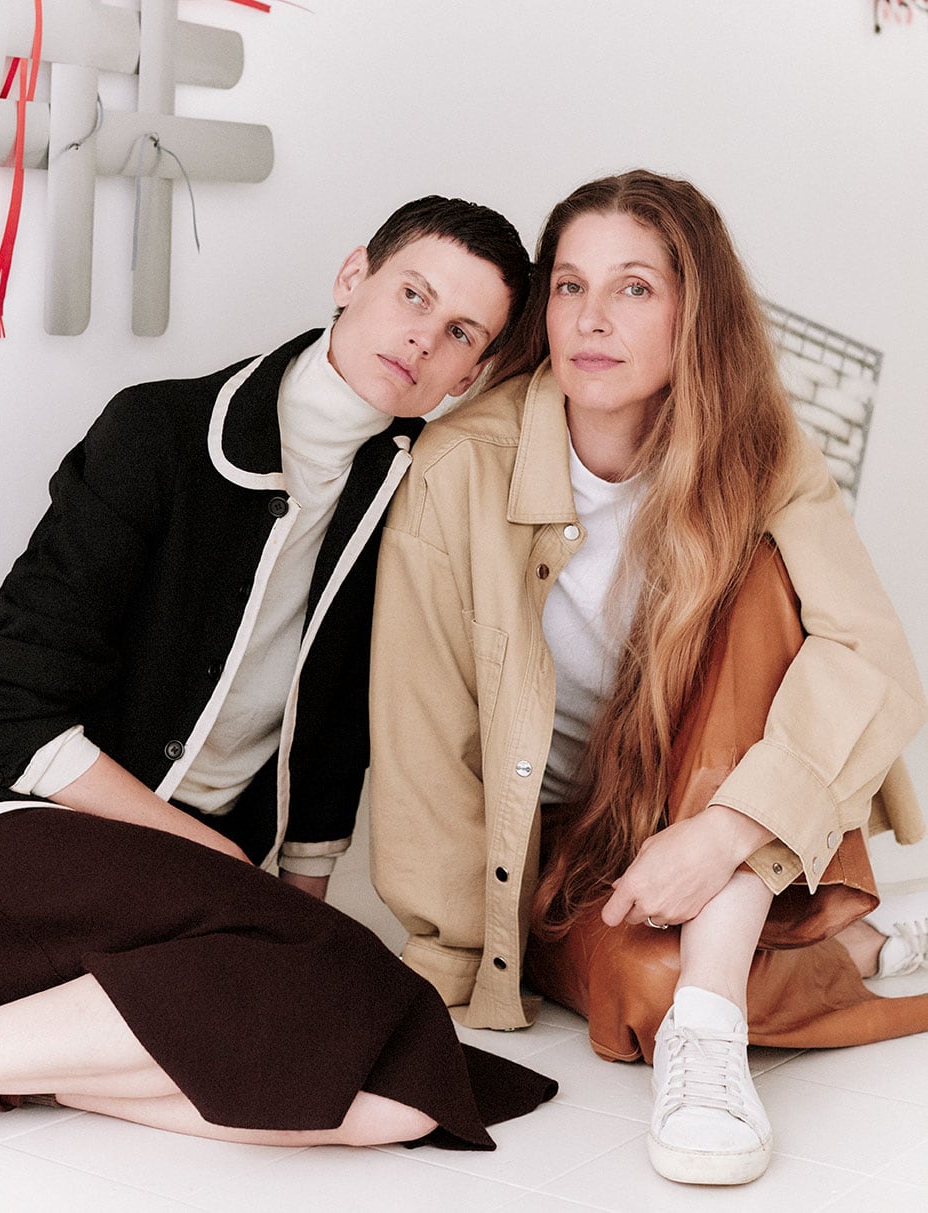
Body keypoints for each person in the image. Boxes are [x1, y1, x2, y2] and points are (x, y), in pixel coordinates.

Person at [0, 196, 559, 1147]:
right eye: (412, 294)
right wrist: (229, 871)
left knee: (397, 1105)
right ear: (352, 277)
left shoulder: (405, 496)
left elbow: (334, 732)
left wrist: (294, 910)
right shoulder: (158, 429)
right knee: (363, 1008)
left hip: (182, 902)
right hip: (7, 828)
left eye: (459, 332)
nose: (422, 336)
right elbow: (6, 710)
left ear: (468, 375)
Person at [369, 170, 928, 1184]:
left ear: (692, 310)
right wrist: (453, 962)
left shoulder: (761, 452)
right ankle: (835, 947)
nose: (591, 318)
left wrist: (721, 831)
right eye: (569, 286)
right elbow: (422, 736)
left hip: (721, 798)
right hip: (570, 843)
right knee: (643, 990)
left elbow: (871, 655)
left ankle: (710, 1028)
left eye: (632, 287)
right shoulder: (460, 466)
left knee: (763, 587)